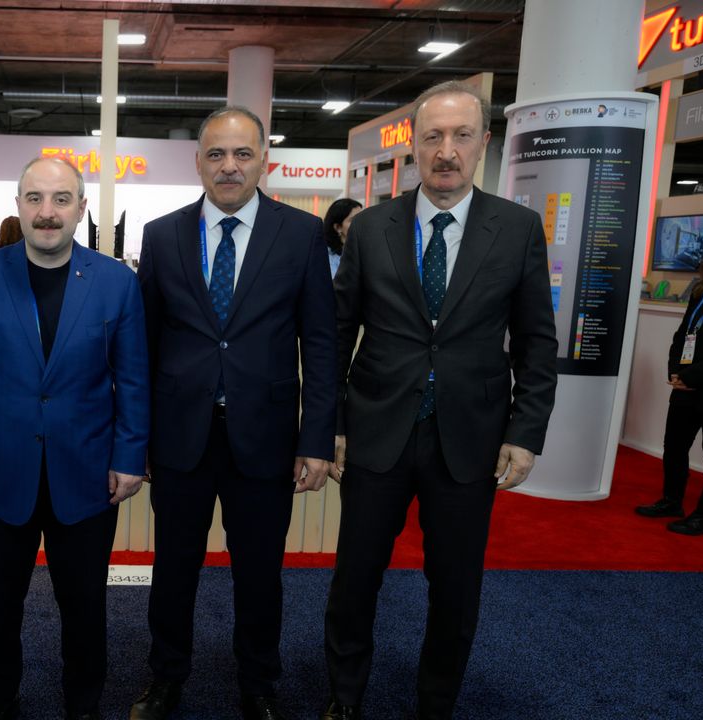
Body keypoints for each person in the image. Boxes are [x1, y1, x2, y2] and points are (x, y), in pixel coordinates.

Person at [322, 81, 558, 720]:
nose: (446, 150)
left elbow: (536, 340)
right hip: (375, 433)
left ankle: (436, 703)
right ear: (414, 147)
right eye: (432, 137)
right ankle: (344, 697)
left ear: (484, 143)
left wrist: (525, 432)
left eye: (460, 136)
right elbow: (337, 334)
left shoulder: (517, 229)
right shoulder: (371, 228)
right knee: (355, 578)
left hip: (470, 438)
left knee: (454, 588)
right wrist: (330, 424)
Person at [132, 106, 337, 720]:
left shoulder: (301, 234)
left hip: (266, 437)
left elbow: (320, 344)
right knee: (174, 570)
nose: (229, 166)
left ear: (263, 162)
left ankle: (259, 684)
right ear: (197, 162)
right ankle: (166, 677)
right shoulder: (162, 235)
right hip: (179, 436)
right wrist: (137, 438)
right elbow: (142, 345)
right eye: (217, 154)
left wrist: (317, 438)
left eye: (242, 154)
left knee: (259, 573)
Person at [0, 156, 149, 720]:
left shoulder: (117, 283)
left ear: (81, 208)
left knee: (85, 605)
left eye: (60, 199)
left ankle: (83, 705)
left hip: (88, 474)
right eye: (34, 198)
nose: (47, 212)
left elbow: (133, 380)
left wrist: (131, 457)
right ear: (18, 206)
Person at [636, 221, 703, 535]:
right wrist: (675, 369)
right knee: (674, 445)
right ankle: (672, 500)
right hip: (686, 383)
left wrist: (693, 375)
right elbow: (684, 332)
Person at [323, 198, 363, 278]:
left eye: (363, 218)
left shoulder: (366, 250)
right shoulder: (326, 257)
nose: (362, 223)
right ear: (338, 227)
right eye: (354, 220)